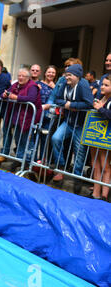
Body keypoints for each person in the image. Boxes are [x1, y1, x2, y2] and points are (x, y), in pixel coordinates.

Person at [50, 64, 94, 192]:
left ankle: (77, 177)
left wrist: (71, 105)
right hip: (68, 122)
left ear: (77, 76)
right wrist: (68, 105)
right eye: (66, 74)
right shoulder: (64, 82)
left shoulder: (83, 84)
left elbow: (88, 103)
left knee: (79, 151)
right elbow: (58, 99)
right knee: (56, 138)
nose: (66, 77)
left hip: (80, 125)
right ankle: (61, 166)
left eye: (69, 75)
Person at [0, 68, 42, 169]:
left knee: (26, 140)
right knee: (18, 138)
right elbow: (5, 93)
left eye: (23, 76)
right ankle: (19, 159)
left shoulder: (32, 86)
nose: (20, 78)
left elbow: (31, 99)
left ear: (28, 78)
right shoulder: (15, 85)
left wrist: (16, 98)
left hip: (28, 117)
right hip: (17, 117)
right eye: (19, 75)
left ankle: (27, 162)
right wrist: (4, 95)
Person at [89, 74, 111, 201]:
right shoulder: (101, 97)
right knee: (95, 164)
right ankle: (95, 193)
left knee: (105, 165)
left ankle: (104, 195)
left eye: (106, 85)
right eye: (102, 84)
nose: (102, 86)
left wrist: (100, 109)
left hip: (106, 137)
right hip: (96, 135)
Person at [36, 65, 57, 161]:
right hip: (38, 113)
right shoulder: (38, 84)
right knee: (35, 136)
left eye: (53, 72)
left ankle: (42, 160)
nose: (51, 74)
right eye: (49, 72)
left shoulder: (57, 86)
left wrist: (55, 88)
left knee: (45, 138)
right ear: (45, 73)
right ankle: (32, 159)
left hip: (50, 115)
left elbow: (59, 98)